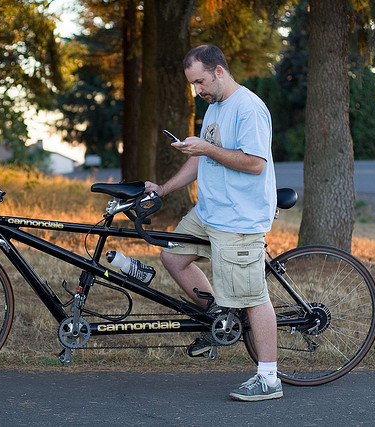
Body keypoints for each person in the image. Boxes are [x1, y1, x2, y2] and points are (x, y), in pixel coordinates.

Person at [144, 44, 282, 401]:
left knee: (252, 297)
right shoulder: (214, 107)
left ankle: (269, 378)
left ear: (219, 71)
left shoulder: (248, 108)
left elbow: (255, 163)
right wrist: (163, 189)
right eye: (192, 84)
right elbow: (200, 159)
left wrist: (205, 149)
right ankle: (217, 321)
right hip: (208, 212)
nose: (197, 90)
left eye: (200, 82)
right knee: (173, 257)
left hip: (238, 218)